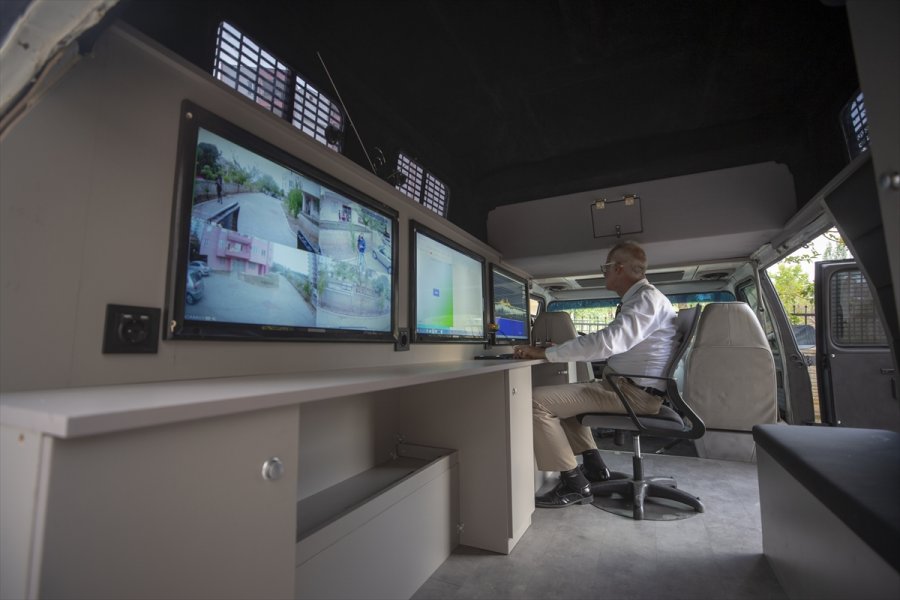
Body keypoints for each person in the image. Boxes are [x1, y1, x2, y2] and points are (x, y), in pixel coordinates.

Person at [513, 240, 676, 508]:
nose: (604, 273)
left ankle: (574, 484)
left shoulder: (645, 300)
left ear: (619, 268)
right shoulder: (645, 299)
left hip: (632, 394)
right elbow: (614, 342)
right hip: (626, 387)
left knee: (534, 402)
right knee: (566, 399)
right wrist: (561, 348)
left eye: (606, 268)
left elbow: (609, 342)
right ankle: (594, 467)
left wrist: (546, 353)